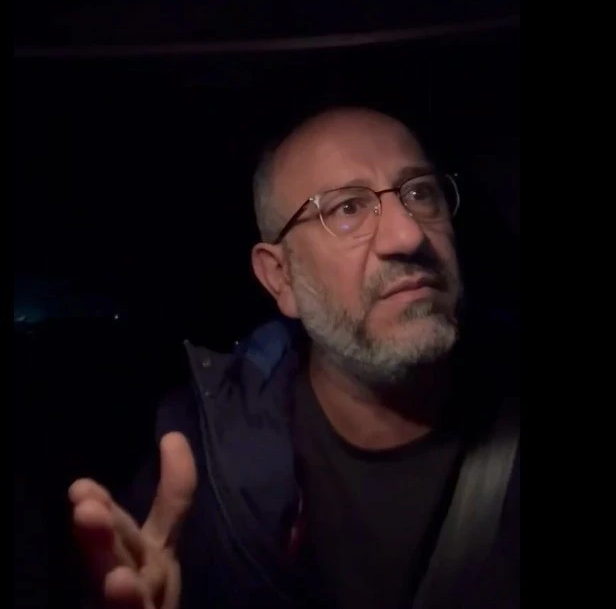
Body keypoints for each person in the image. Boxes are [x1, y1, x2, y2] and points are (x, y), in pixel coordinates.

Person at [69, 106, 519, 609]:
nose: (408, 236)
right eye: (347, 208)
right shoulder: (199, 462)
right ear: (280, 277)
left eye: (420, 193)